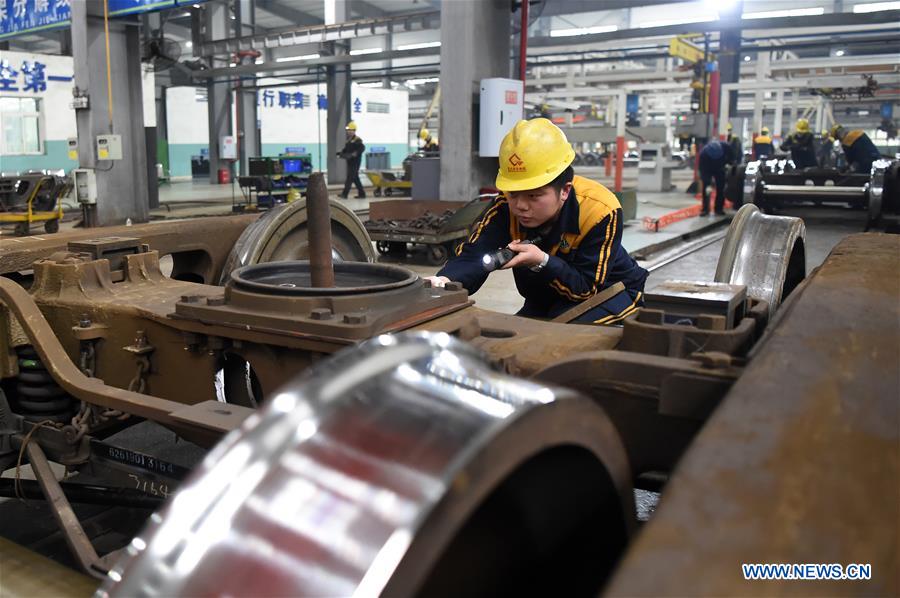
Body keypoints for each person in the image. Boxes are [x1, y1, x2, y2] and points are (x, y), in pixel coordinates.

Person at [425, 118, 648, 325]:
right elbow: (475, 255)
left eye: (533, 195)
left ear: (564, 191)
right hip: (546, 299)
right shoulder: (504, 206)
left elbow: (585, 289)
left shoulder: (600, 211)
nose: (520, 205)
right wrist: (445, 281)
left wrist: (542, 261)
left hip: (610, 293)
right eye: (513, 193)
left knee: (554, 339)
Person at [698, 140, 736, 217]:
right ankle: (705, 209)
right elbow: (702, 171)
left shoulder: (726, 147)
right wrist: (707, 181)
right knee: (706, 189)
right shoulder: (703, 155)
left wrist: (731, 165)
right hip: (708, 169)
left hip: (720, 168)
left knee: (721, 188)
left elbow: (732, 158)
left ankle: (718, 209)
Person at [337, 121, 366, 199]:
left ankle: (345, 194)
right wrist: (341, 153)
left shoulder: (357, 140)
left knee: (350, 178)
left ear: (354, 131)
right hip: (350, 161)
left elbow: (362, 148)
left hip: (355, 162)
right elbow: (346, 149)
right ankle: (362, 194)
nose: (348, 131)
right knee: (355, 178)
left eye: (350, 130)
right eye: (348, 130)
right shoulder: (348, 140)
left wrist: (355, 154)